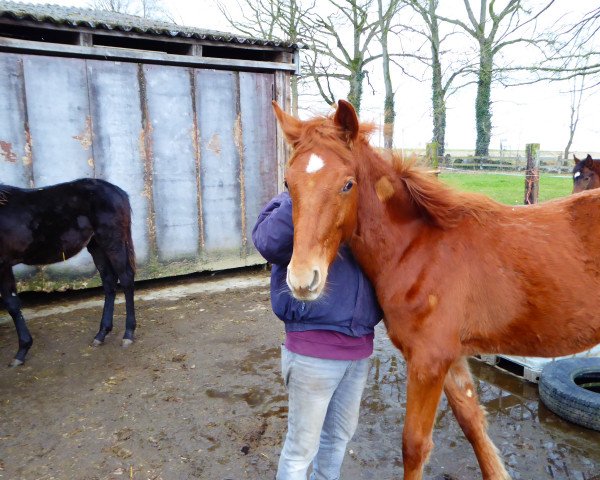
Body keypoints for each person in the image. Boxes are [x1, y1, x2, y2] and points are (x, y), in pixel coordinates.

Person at [252, 190, 382, 480]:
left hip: (358, 349)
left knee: (337, 440)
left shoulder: (360, 204)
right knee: (301, 449)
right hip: (313, 350)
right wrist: (304, 192)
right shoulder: (292, 202)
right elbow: (268, 242)